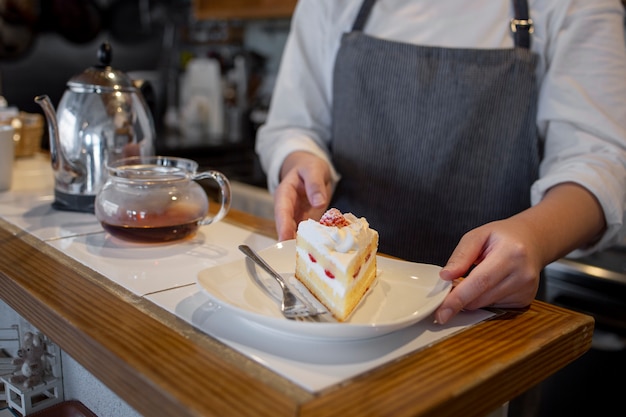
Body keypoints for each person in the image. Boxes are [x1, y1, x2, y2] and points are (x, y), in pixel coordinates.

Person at [255, 0, 626, 325]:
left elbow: (600, 161)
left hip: (484, 313)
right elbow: (294, 125)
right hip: (340, 315)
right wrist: (300, 158)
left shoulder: (573, 4)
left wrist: (536, 237)